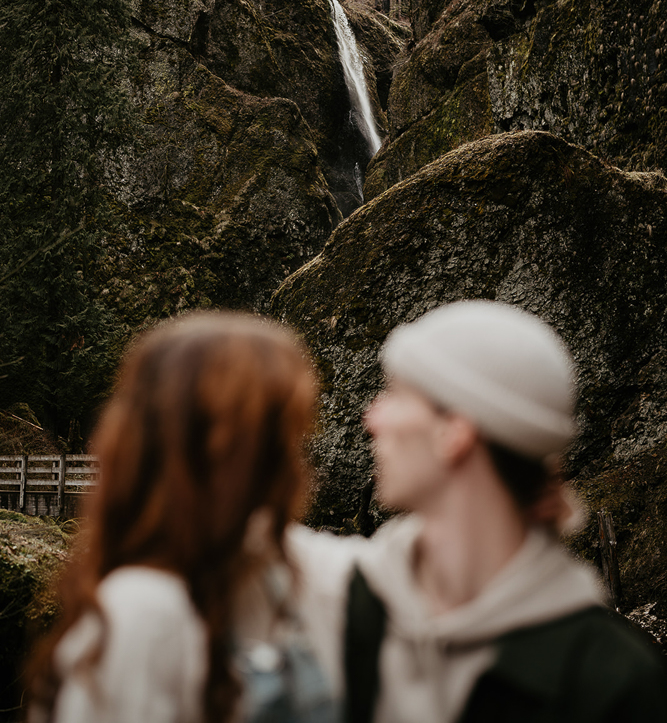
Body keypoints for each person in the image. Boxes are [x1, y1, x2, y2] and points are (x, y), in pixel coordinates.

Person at [288, 300, 667, 723]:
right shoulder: (338, 599)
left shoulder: (610, 684)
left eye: (395, 394)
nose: (371, 417)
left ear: (455, 433)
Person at [28, 311, 338, 723]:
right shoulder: (141, 615)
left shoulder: (278, 565)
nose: (288, 460)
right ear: (199, 450)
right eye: (265, 434)